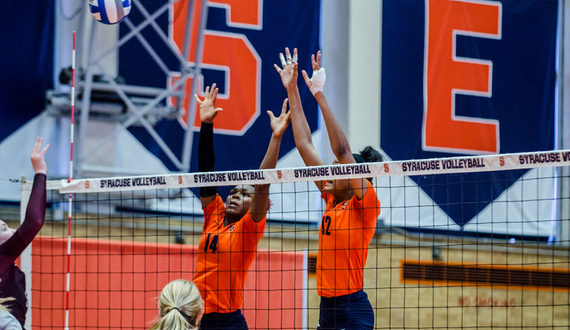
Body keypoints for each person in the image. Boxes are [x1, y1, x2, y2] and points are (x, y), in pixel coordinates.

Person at [275, 48, 382, 330]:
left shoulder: (366, 206)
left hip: (352, 309)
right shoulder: (330, 197)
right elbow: (304, 144)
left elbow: (344, 151)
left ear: (357, 178)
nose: (330, 171)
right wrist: (293, 89)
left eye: (338, 168)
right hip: (327, 308)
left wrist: (320, 96)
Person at [192, 84, 291, 330]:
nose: (233, 196)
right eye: (232, 192)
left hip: (227, 321)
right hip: (194, 315)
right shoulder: (214, 213)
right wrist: (206, 124)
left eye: (244, 194)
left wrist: (276, 136)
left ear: (256, 204)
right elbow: (205, 171)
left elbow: (262, 182)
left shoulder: (249, 228)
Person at [0, 137, 49, 329]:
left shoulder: (11, 270)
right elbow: (33, 222)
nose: (12, 230)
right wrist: (40, 171)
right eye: (4, 229)